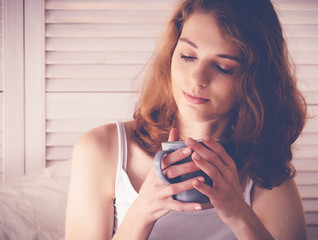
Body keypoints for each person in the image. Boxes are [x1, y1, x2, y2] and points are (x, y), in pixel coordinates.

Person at [65, 0, 308, 239]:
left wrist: (239, 214)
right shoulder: (101, 149)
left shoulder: (266, 174)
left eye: (223, 67)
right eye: (188, 56)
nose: (197, 78)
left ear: (256, 81)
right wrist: (142, 211)